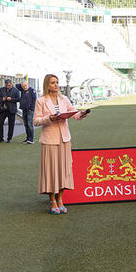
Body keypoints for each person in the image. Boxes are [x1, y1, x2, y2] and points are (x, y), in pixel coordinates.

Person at [34, 73, 88, 213]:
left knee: (64, 170)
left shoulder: (64, 99)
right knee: (51, 171)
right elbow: (36, 121)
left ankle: (60, 200)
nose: (56, 85)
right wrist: (49, 118)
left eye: (57, 82)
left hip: (64, 139)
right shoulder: (41, 101)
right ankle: (52, 200)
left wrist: (81, 114)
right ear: (47, 85)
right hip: (50, 140)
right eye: (53, 82)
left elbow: (74, 114)